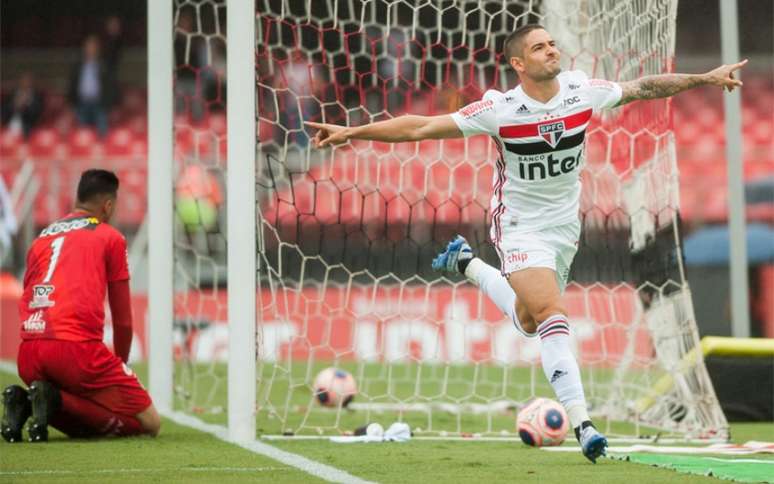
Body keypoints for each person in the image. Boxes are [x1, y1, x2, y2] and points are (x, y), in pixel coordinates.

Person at [305, 24, 747, 462]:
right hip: (518, 226)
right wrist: (353, 132)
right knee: (553, 316)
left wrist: (705, 77)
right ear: (519, 63)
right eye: (540, 48)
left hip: (563, 229)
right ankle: (583, 424)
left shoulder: (581, 91)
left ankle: (467, 264)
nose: (552, 51)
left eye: (553, 44)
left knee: (530, 320)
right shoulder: (500, 109)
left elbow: (643, 87)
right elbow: (421, 127)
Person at [1, 169, 160, 443]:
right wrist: (121, 364)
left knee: (66, 390)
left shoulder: (41, 239)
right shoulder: (110, 237)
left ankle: (25, 403)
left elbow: (27, 292)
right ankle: (53, 400)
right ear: (108, 206)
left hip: (28, 354)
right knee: (149, 423)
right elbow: (122, 319)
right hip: (76, 352)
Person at [67, 35, 118, 137]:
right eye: (88, 46)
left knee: (102, 133)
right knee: (83, 135)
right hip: (82, 103)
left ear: (98, 48)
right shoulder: (78, 65)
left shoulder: (104, 65)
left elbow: (111, 86)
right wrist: (72, 104)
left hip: (99, 104)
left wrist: (109, 105)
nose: (90, 49)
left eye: (93, 46)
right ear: (84, 48)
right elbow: (72, 85)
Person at [1, 72, 43, 138]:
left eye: (28, 81)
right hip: (9, 124)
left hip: (27, 127)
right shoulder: (12, 94)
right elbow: (4, 109)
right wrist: (15, 105)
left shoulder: (36, 96)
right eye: (23, 80)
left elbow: (35, 114)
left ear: (31, 83)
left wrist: (25, 105)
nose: (25, 83)